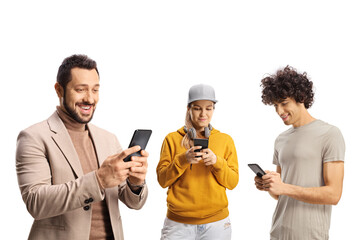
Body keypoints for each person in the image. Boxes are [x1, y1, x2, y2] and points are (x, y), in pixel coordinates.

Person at [16, 54, 149, 240]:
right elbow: (36, 202)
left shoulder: (108, 139)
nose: (90, 99)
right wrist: (98, 180)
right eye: (80, 89)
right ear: (59, 90)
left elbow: (133, 202)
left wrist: (136, 183)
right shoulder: (33, 137)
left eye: (95, 90)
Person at [255, 66, 345, 240]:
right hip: (278, 232)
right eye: (275, 105)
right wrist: (269, 185)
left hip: (310, 236)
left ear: (301, 98)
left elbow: (334, 194)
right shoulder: (281, 139)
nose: (279, 111)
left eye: (284, 103)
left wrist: (284, 187)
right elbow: (279, 193)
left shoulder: (330, 134)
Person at [157, 84, 239, 240]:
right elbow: (162, 180)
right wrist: (183, 160)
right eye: (197, 108)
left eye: (209, 108)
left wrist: (217, 162)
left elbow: (233, 183)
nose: (203, 114)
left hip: (217, 225)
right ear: (188, 108)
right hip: (178, 225)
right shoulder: (172, 139)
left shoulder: (225, 140)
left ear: (213, 109)